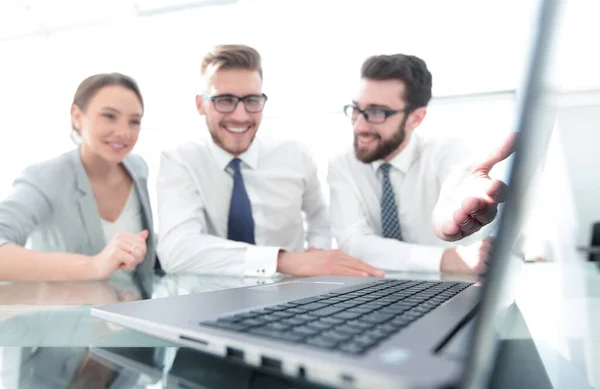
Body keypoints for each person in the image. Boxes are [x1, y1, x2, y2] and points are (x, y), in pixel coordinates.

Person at [156, 44, 383, 278]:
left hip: (292, 294)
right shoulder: (180, 161)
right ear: (200, 104)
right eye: (224, 100)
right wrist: (283, 261)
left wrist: (317, 250)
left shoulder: (295, 154)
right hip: (209, 298)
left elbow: (319, 216)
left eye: (252, 101)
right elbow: (176, 250)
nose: (240, 115)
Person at [328, 54, 512, 274]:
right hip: (377, 291)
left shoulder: (444, 151)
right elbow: (353, 243)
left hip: (449, 286)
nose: (358, 126)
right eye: (356, 109)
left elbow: (460, 178)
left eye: (376, 112)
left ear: (416, 118)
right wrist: (446, 259)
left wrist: (467, 197)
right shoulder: (343, 165)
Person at [0, 73, 156, 281]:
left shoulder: (138, 168)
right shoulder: (44, 178)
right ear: (77, 116)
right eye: (109, 116)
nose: (123, 132)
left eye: (134, 121)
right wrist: (93, 266)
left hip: (132, 307)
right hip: (68, 311)